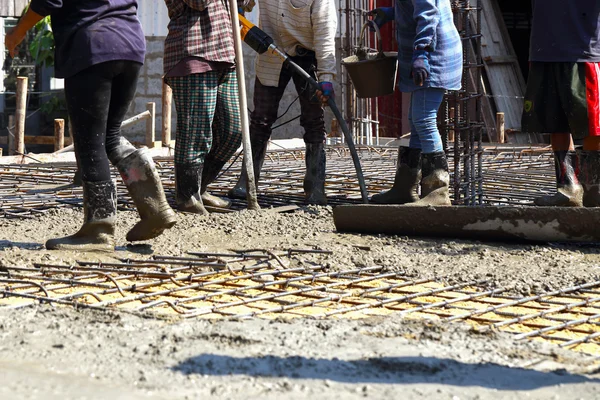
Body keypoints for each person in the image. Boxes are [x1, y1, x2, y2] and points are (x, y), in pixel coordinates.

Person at [5, 1, 177, 252]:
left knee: (90, 142)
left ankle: (98, 230)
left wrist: (17, 32)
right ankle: (155, 209)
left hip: (92, 44)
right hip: (130, 43)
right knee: (110, 136)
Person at [227, 0, 337, 205]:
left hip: (308, 55)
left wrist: (326, 77)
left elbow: (325, 36)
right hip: (271, 52)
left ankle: (315, 186)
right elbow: (244, 3)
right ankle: (248, 180)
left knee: (314, 121)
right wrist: (240, 7)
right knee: (260, 119)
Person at [368, 1, 462, 206]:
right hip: (428, 52)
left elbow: (428, 13)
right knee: (417, 120)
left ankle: (437, 192)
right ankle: (405, 188)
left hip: (432, 55)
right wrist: (393, 12)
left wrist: (421, 52)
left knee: (424, 120)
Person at [164, 0, 249, 214]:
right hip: (194, 51)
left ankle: (200, 188)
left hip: (224, 52)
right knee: (196, 133)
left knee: (233, 130)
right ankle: (187, 195)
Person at [522, 0, 600, 207]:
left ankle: (595, 190)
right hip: (544, 52)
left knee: (592, 127)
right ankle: (568, 189)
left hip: (583, 53)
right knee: (555, 123)